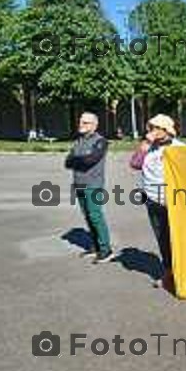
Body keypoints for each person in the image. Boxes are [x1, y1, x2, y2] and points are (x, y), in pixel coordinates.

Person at [129, 114, 184, 292]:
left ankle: (183, 273)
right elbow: (135, 164)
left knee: (178, 239)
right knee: (162, 238)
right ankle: (168, 272)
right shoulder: (149, 147)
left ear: (166, 130)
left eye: (155, 128)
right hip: (151, 199)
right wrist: (144, 145)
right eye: (150, 127)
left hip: (174, 201)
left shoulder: (179, 148)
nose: (151, 131)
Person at [65, 112, 114, 263]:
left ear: (94, 125)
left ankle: (106, 249)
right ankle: (95, 246)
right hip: (79, 184)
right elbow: (67, 162)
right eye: (81, 122)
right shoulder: (78, 141)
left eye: (85, 123)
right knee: (87, 216)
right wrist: (78, 160)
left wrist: (76, 160)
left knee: (95, 216)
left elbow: (91, 160)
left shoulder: (101, 142)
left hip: (93, 186)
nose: (81, 125)